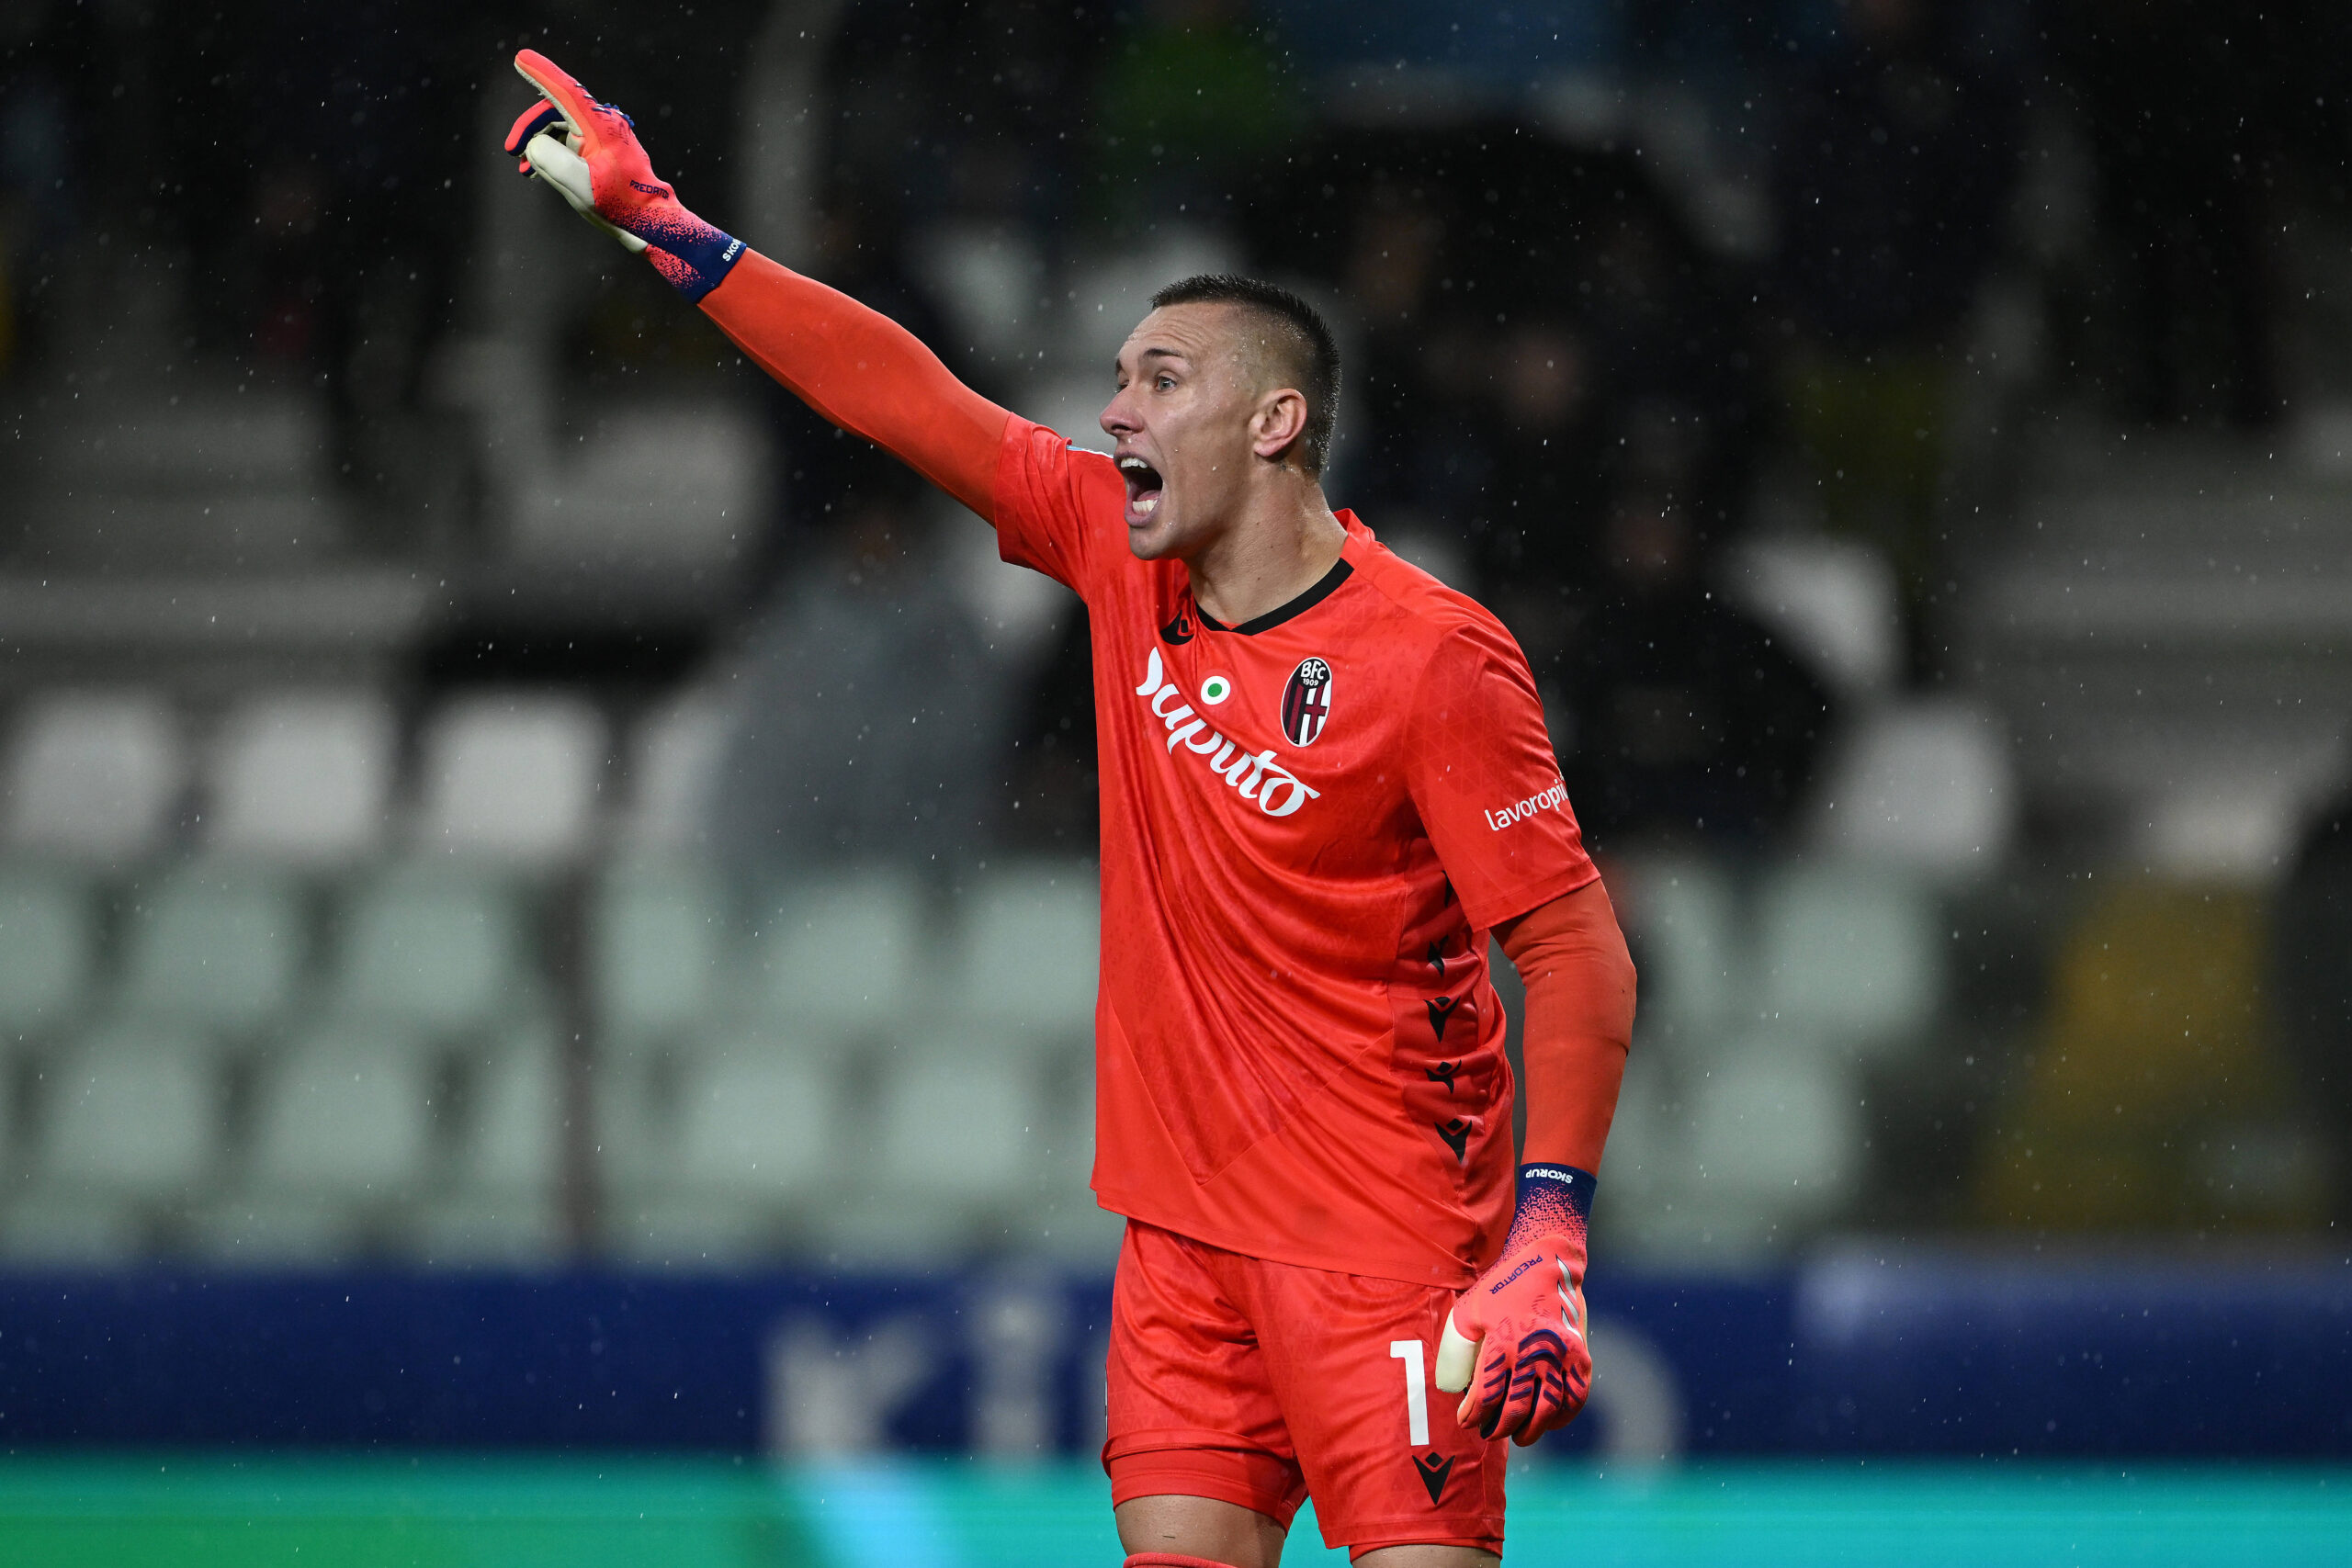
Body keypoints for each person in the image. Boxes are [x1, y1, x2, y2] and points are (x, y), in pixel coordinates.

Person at [500, 51, 1635, 1566]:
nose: (1114, 414)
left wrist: (1549, 1232)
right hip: (1181, 1248)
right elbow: (904, 398)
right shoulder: (1117, 551)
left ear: (1276, 421)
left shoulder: (1431, 657)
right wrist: (674, 229)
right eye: (1114, 382)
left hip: (1389, 1251)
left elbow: (1574, 953)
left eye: (1160, 381)